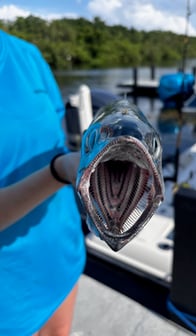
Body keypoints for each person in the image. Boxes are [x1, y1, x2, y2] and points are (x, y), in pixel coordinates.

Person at [0, 29, 86, 335]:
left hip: (63, 255)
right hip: (8, 297)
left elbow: (57, 139)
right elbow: (60, 163)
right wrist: (59, 172)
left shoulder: (28, 56)